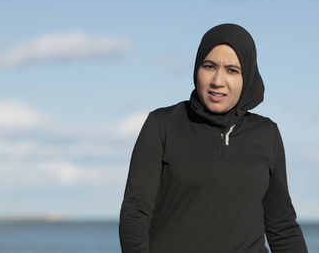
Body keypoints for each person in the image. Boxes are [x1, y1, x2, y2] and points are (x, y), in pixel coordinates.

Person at [119, 23, 308, 253]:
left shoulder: (267, 134)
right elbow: (135, 212)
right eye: (209, 66)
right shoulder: (162, 125)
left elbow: (282, 226)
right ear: (197, 68)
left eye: (232, 70)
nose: (218, 81)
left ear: (247, 77)